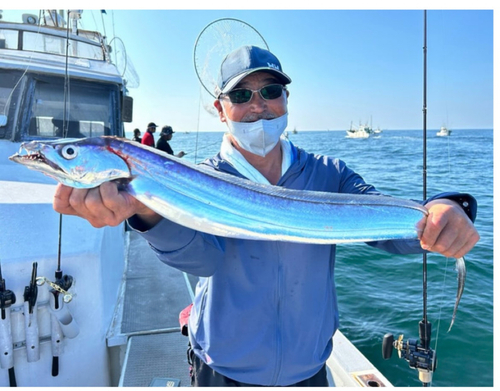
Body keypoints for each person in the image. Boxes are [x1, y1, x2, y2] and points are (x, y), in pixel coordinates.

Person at [52, 45, 479, 387]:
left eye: (270, 91)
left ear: (286, 100)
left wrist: (447, 210)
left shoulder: (329, 173)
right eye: (241, 95)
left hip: (307, 371)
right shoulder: (197, 179)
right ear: (220, 110)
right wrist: (146, 214)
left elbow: (389, 228)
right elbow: (204, 262)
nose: (259, 105)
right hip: (222, 369)